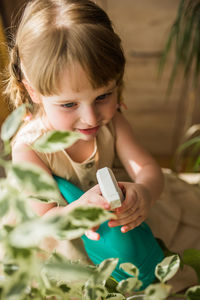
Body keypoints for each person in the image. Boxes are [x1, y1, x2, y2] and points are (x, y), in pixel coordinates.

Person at [5, 0, 164, 289]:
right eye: (68, 104)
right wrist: (77, 212)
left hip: (116, 229)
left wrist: (145, 193)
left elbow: (149, 169)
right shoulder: (30, 147)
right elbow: (43, 224)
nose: (91, 117)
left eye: (103, 95)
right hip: (67, 240)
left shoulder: (112, 120)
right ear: (33, 91)